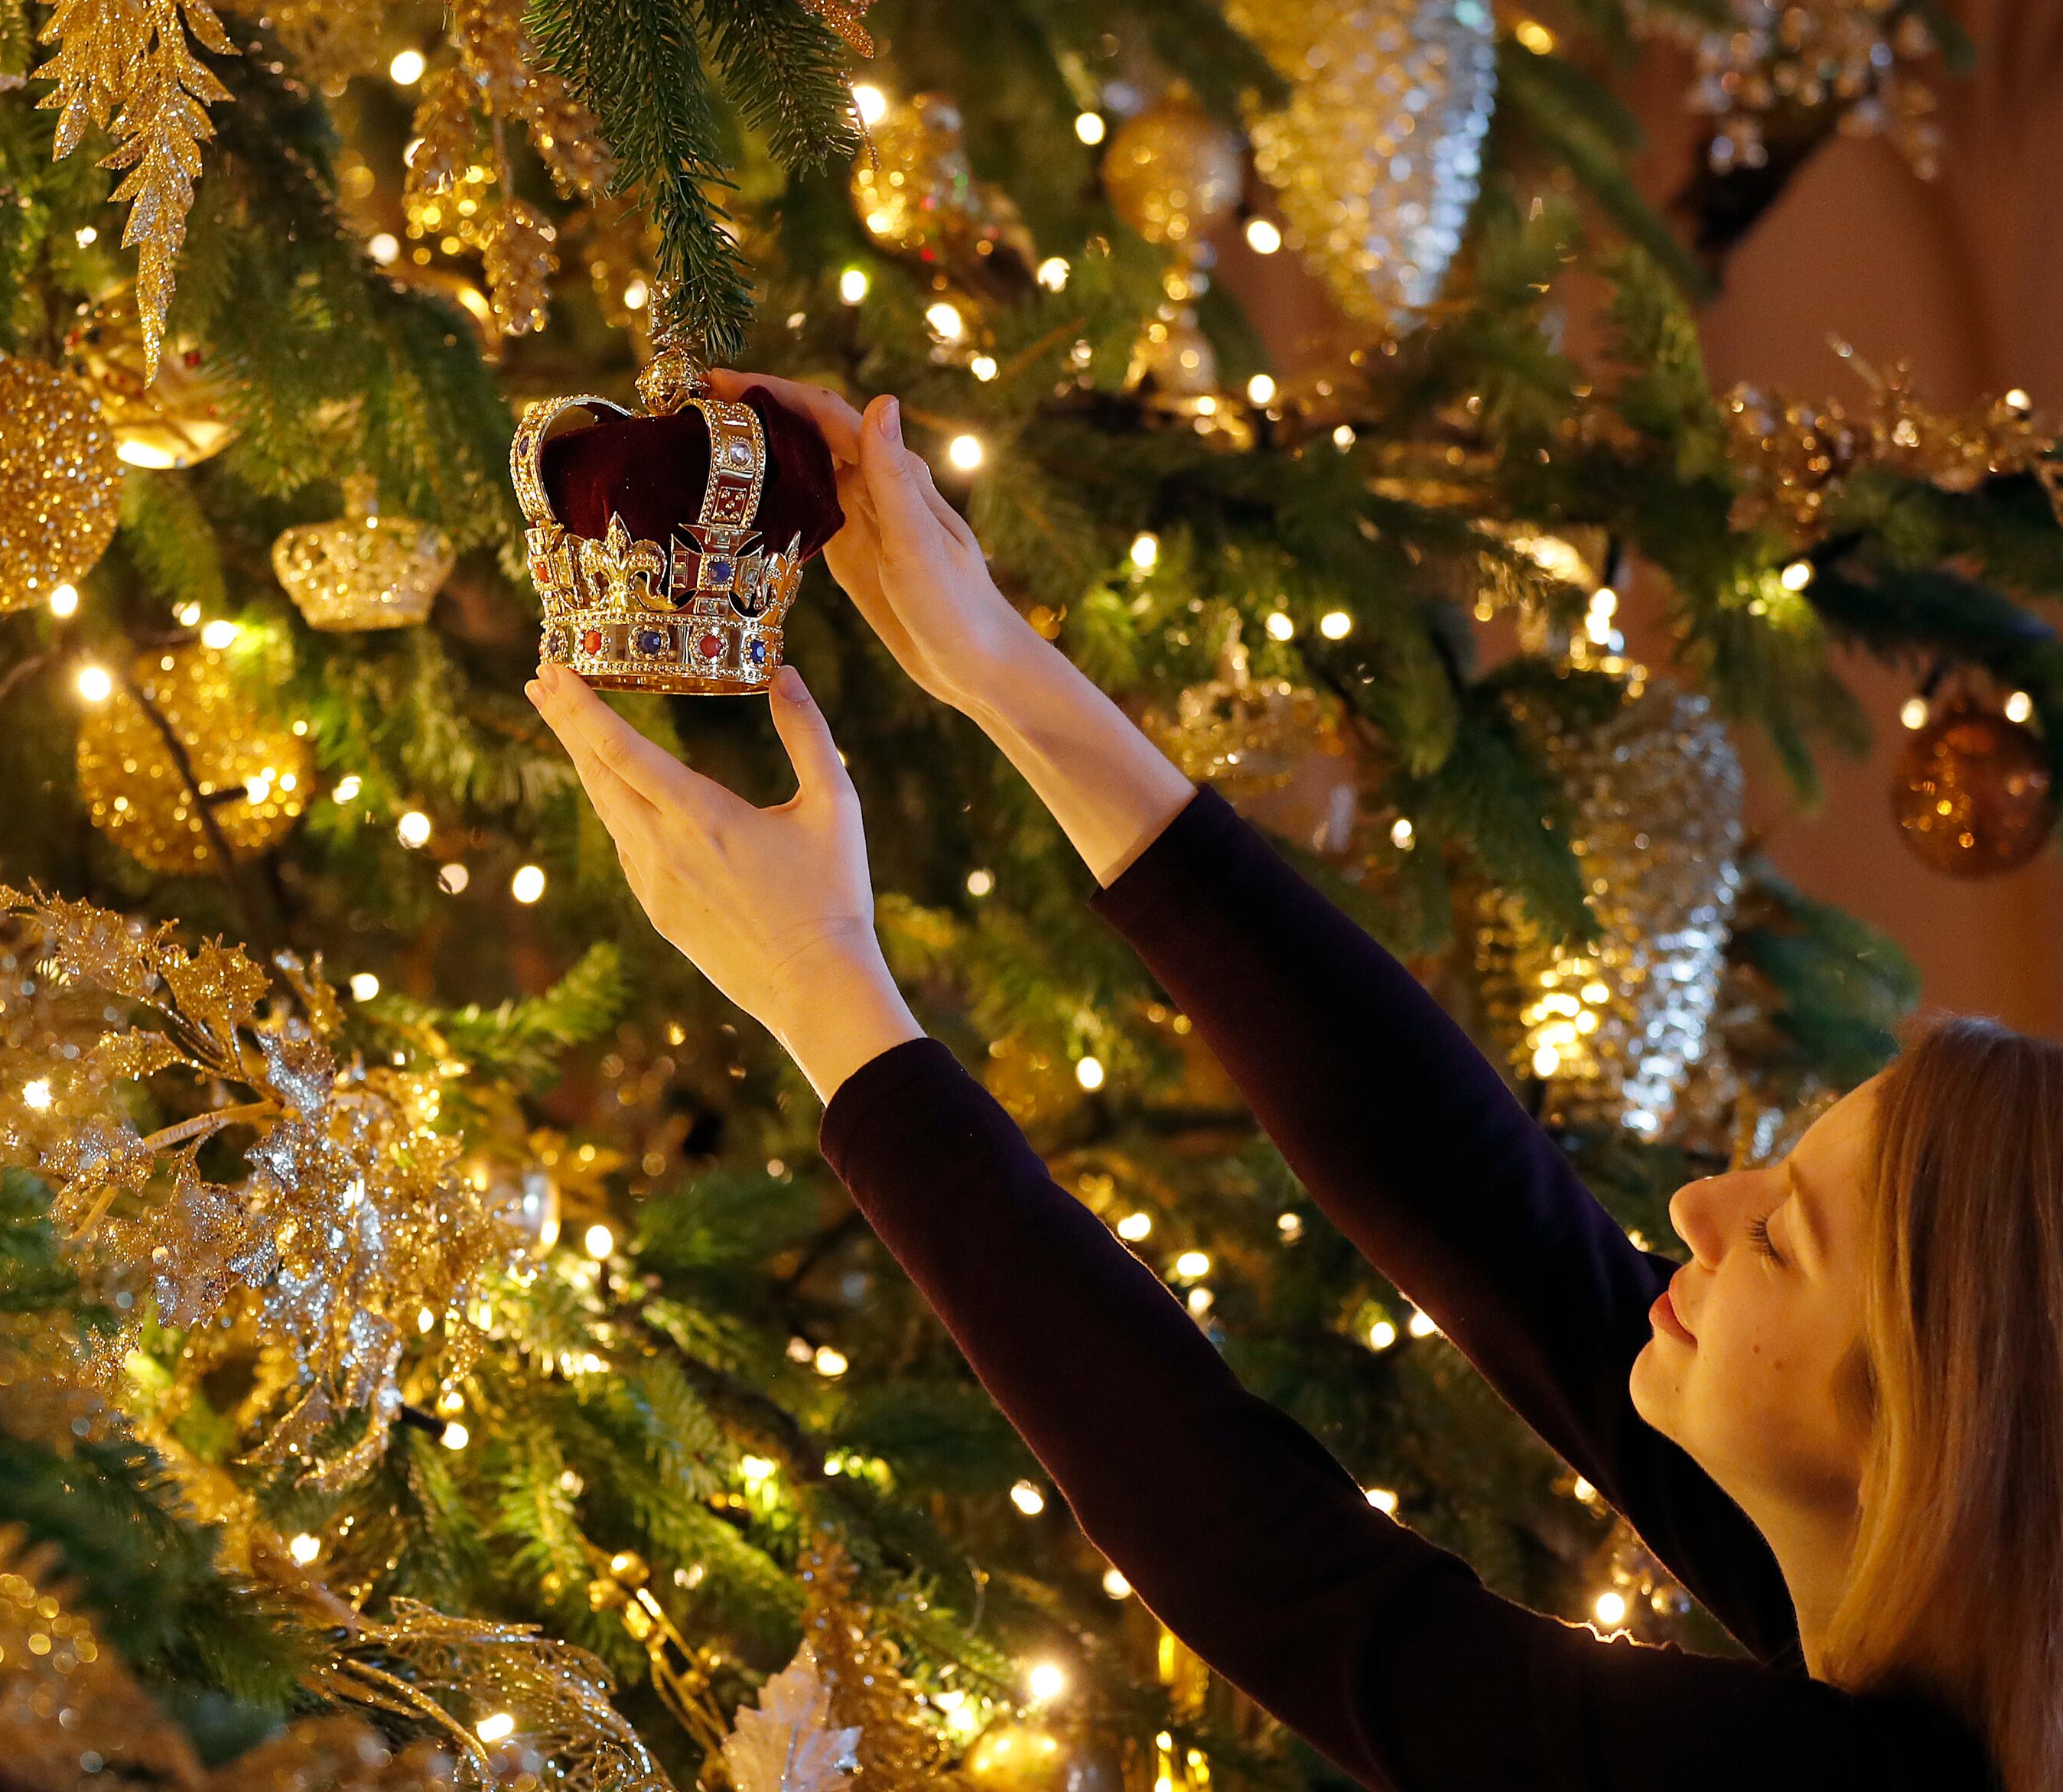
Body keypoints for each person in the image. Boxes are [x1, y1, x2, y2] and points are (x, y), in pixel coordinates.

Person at [523, 370, 2063, 1792]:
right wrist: (994, 664)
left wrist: (829, 996)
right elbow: (1486, 1208)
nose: (1695, 1203)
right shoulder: (1911, 1629)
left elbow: (1297, 1581)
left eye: (1780, 1234)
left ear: (1943, 1427)